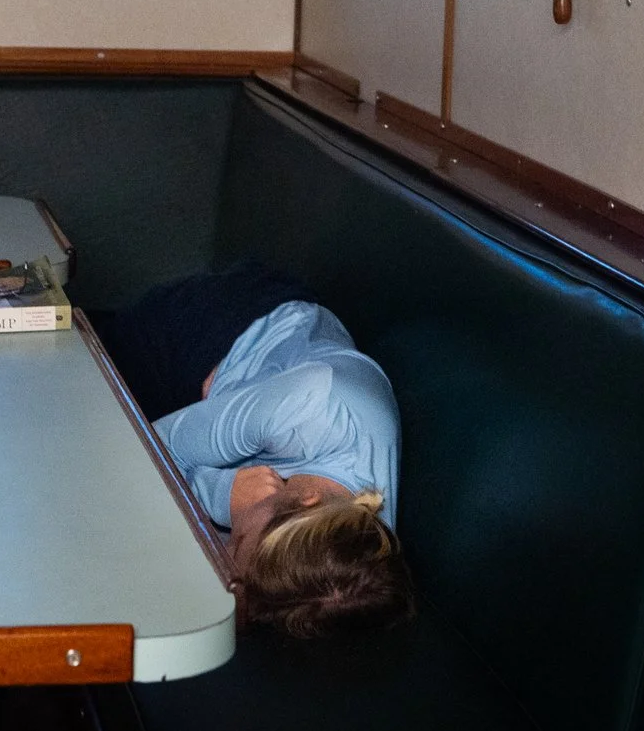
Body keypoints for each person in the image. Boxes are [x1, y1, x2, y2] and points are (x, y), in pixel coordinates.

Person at [98, 264, 414, 638]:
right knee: (95, 368)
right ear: (309, 500)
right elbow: (135, 450)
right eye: (239, 540)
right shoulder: (306, 412)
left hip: (249, 396)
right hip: (238, 318)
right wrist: (219, 494)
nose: (226, 545)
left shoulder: (362, 548)